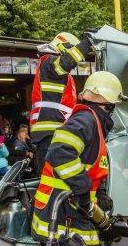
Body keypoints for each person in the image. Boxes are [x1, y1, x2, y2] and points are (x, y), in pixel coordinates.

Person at [31, 71, 127, 244]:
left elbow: (90, 165)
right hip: (59, 211)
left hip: (71, 208)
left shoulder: (94, 122)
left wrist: (100, 192)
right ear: (109, 103)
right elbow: (60, 151)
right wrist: (83, 189)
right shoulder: (86, 119)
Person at [30, 32, 93, 174]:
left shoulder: (53, 70)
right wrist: (87, 44)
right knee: (51, 179)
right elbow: (66, 62)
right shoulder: (49, 61)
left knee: (55, 178)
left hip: (52, 130)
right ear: (63, 47)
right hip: (50, 130)